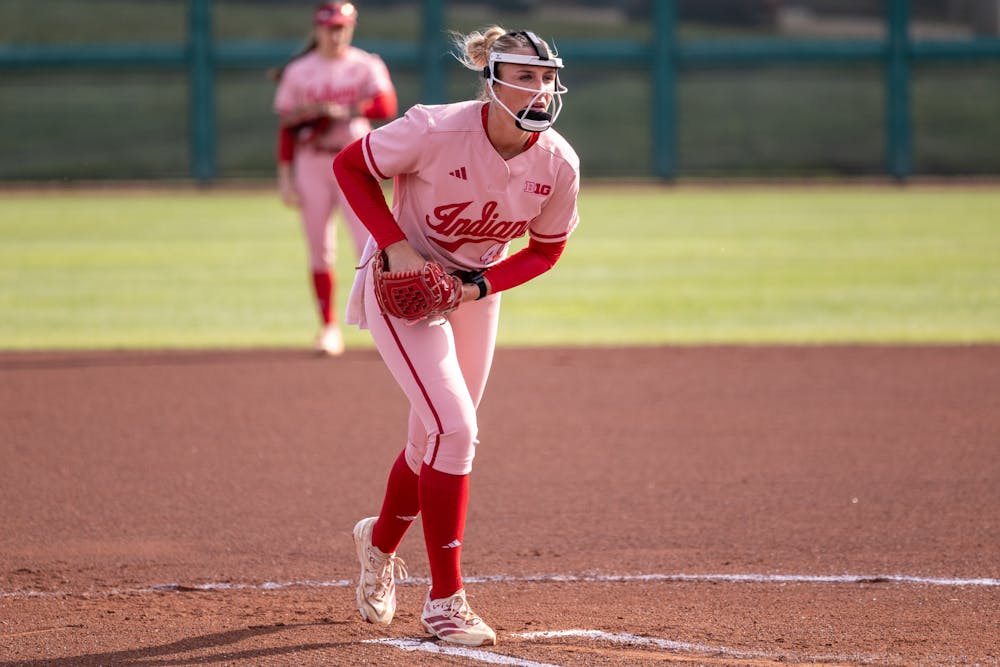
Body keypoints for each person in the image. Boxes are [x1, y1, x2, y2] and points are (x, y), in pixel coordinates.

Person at [333, 26, 579, 646]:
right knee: (457, 430)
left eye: (546, 77)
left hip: (470, 294)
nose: (538, 89)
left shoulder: (558, 162)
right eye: (524, 76)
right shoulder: (434, 129)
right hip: (403, 285)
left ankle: (379, 544)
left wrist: (473, 289)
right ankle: (446, 601)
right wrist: (394, 247)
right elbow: (351, 166)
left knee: (431, 440)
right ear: (492, 81)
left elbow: (546, 252)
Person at [272, 1, 398, 355]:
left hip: (353, 163)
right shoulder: (299, 70)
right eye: (329, 27)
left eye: (342, 27)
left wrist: (343, 110)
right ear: (317, 29)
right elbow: (286, 128)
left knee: (370, 247)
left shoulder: (365, 64)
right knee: (320, 249)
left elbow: (387, 105)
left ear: (351, 27)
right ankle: (327, 328)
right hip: (312, 163)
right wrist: (285, 177)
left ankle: (383, 325)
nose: (335, 34)